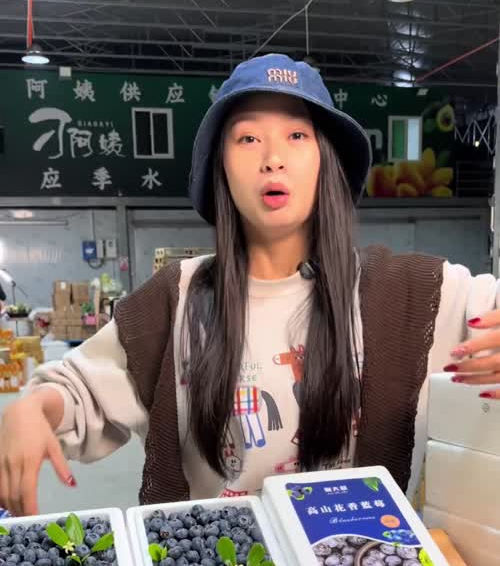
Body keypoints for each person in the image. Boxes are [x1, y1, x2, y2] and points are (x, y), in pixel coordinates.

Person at [0, 53, 499, 517]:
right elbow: (79, 390)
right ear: (221, 166)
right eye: (247, 139)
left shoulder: (410, 292)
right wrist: (32, 409)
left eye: (297, 136)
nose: (273, 158)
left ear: (326, 160)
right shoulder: (176, 298)